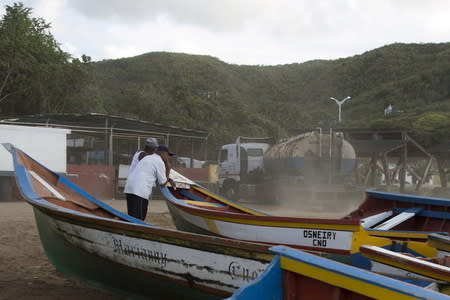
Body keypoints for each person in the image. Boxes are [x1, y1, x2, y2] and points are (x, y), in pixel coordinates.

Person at [124, 143, 174, 221]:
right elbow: (162, 183)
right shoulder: (159, 161)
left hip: (129, 189)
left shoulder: (148, 158)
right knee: (139, 220)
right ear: (163, 153)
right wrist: (168, 168)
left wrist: (169, 179)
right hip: (139, 191)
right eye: (168, 155)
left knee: (132, 218)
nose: (168, 158)